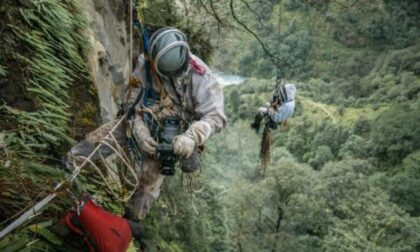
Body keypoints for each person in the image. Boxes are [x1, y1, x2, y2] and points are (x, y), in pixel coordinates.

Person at [66, 27, 227, 221]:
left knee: (148, 185)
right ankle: (67, 166)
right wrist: (137, 127)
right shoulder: (146, 64)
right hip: (144, 117)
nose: (177, 75)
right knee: (103, 139)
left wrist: (191, 137)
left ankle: (130, 223)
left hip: (177, 134)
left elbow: (216, 117)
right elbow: (131, 100)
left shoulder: (203, 78)